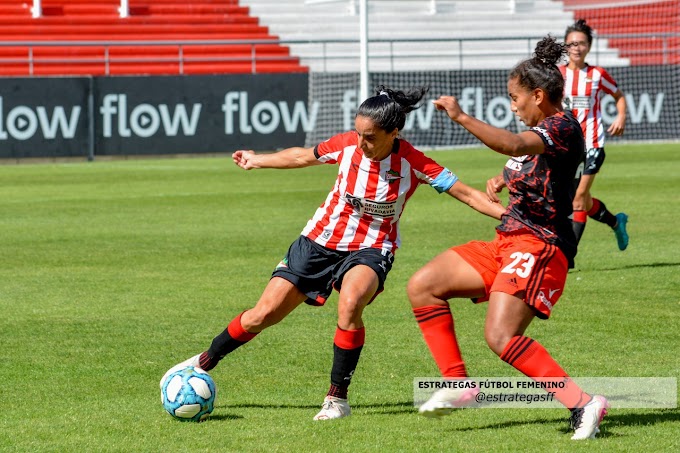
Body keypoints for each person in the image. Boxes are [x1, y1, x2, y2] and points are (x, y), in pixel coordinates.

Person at [160, 85, 505, 421]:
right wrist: (257, 160)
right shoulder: (346, 146)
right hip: (317, 242)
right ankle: (204, 362)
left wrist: (514, 218)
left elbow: (468, 194)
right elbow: (300, 155)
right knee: (260, 315)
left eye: (369, 137)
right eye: (358, 133)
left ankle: (336, 398)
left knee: (351, 301)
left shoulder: (414, 163)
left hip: (372, 248)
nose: (361, 142)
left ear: (394, 133)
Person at [407, 37, 609, 440]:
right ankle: (458, 384)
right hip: (509, 240)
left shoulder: (562, 126)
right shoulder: (541, 131)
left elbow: (514, 144)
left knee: (500, 337)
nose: (512, 105)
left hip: (541, 246)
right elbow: (529, 161)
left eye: (514, 97)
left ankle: (583, 403)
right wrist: (505, 177)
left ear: (538, 95)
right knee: (423, 286)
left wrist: (462, 117)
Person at [561, 19, 629, 251]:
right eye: (572, 44)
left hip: (592, 144)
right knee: (582, 200)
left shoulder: (598, 74)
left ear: (589, 46)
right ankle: (616, 221)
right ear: (565, 47)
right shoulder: (556, 75)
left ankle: (568, 256)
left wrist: (620, 117)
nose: (577, 48)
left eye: (581, 43)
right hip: (566, 147)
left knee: (579, 198)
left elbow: (618, 96)